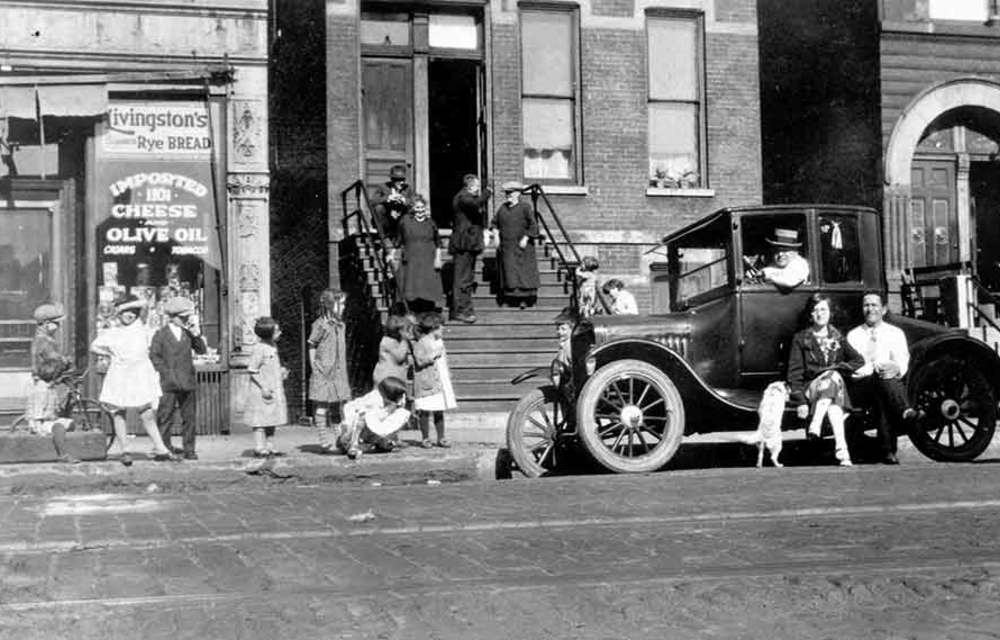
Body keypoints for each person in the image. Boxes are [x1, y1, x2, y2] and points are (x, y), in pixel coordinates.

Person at [90, 295, 178, 466]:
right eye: (125, 312)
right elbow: (94, 346)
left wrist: (124, 306)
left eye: (132, 312)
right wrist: (110, 354)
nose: (129, 315)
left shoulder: (140, 326)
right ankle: (125, 450)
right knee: (118, 411)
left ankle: (160, 448)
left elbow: (144, 303)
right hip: (120, 372)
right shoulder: (113, 332)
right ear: (118, 314)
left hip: (140, 372)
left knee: (146, 412)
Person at [786, 293, 865, 466]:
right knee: (833, 380)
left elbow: (859, 360)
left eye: (823, 309)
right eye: (815, 310)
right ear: (810, 315)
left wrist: (837, 368)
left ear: (830, 313)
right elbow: (794, 373)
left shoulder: (837, 337)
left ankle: (840, 448)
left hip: (832, 389)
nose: (820, 314)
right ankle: (840, 448)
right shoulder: (801, 338)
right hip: (812, 388)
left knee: (834, 402)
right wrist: (800, 401)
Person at [846, 291, 917, 465]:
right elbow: (855, 369)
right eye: (866, 305)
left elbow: (902, 358)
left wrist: (895, 368)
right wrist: (876, 367)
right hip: (862, 385)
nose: (870, 309)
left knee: (882, 394)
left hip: (885, 383)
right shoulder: (853, 335)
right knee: (881, 380)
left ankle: (888, 452)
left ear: (884, 309)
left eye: (874, 305)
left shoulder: (895, 333)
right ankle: (905, 410)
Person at [149, 297, 207, 460]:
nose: (186, 320)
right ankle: (164, 448)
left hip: (187, 381)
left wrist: (196, 334)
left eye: (187, 317)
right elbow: (154, 355)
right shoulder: (160, 335)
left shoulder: (189, 334)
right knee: (165, 416)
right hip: (168, 382)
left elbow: (202, 351)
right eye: (183, 317)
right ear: (172, 317)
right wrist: (165, 372)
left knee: (189, 417)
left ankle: (189, 449)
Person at [27, 303, 77, 463]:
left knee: (62, 421)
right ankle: (63, 455)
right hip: (44, 385)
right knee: (57, 424)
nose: (58, 326)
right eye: (56, 323)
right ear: (46, 324)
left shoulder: (41, 339)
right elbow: (53, 361)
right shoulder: (45, 341)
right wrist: (66, 361)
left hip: (44, 384)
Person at [308, 289, 352, 453]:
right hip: (324, 372)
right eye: (341, 304)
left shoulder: (341, 325)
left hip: (338, 372)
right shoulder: (320, 325)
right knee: (322, 406)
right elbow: (312, 344)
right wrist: (314, 365)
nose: (343, 307)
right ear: (329, 305)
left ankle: (339, 439)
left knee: (336, 406)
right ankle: (324, 441)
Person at [449, 174, 491, 323]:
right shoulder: (463, 197)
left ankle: (465, 309)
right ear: (470, 186)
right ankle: (460, 311)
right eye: (477, 187)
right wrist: (488, 192)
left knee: (467, 279)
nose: (478, 190)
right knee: (462, 279)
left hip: (470, 244)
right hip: (463, 245)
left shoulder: (467, 197)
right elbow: (475, 204)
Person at [411, 311, 456, 448]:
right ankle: (425, 437)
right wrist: (432, 356)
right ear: (433, 328)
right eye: (441, 327)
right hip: (427, 382)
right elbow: (419, 361)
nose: (443, 329)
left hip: (439, 381)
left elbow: (444, 359)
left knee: (439, 409)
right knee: (425, 409)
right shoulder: (422, 343)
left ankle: (441, 437)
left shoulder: (439, 342)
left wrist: (447, 371)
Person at [338, 376, 411, 460]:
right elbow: (356, 414)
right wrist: (348, 433)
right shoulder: (373, 399)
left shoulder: (393, 401)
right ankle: (353, 444)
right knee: (362, 416)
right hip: (354, 425)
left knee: (402, 414)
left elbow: (386, 417)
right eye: (399, 396)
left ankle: (381, 442)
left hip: (375, 424)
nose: (401, 398)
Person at [245, 317, 288, 457]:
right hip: (261, 391)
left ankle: (269, 446)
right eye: (276, 331)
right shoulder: (259, 348)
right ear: (267, 332)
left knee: (271, 419)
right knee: (259, 420)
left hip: (273, 388)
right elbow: (252, 369)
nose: (280, 332)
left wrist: (281, 371)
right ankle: (259, 446)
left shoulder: (273, 346)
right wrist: (263, 386)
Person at [492, 181, 539, 308]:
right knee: (509, 271)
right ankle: (510, 298)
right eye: (506, 193)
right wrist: (496, 236)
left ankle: (525, 299)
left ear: (518, 193)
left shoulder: (525, 207)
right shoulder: (502, 208)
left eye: (510, 193)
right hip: (507, 246)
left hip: (522, 246)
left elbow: (533, 225)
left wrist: (526, 237)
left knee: (523, 272)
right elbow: (495, 223)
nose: (508, 195)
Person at [395, 194, 444, 313]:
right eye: (417, 208)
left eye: (422, 207)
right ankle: (412, 312)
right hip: (411, 258)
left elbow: (438, 242)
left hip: (428, 257)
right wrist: (392, 255)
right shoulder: (405, 221)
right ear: (412, 208)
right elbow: (398, 240)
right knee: (412, 285)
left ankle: (428, 313)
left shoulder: (431, 223)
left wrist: (438, 258)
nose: (420, 210)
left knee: (427, 285)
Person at [369, 164, 413, 245]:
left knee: (410, 210)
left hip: (399, 219)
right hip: (386, 219)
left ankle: (403, 237)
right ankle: (383, 235)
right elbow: (372, 202)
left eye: (403, 179)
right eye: (398, 180)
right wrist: (388, 198)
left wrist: (404, 200)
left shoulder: (407, 188)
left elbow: (413, 202)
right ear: (392, 180)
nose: (401, 182)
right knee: (379, 208)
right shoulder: (382, 187)